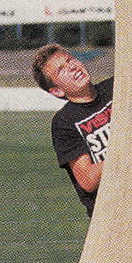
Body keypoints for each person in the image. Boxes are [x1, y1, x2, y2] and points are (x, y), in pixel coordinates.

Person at [32, 43, 112, 216]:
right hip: (110, 213)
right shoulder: (64, 123)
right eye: (61, 70)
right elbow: (88, 180)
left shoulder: (116, 87)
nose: (72, 67)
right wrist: (125, 151)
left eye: (70, 60)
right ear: (58, 91)